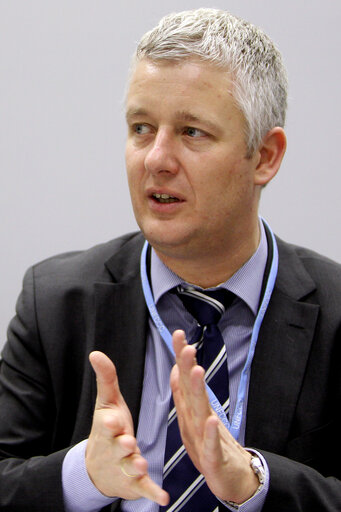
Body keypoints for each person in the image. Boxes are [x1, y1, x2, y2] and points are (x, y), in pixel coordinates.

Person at [0, 7, 340, 512]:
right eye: (141, 127)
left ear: (265, 156)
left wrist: (258, 484)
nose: (156, 158)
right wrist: (84, 475)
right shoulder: (54, 304)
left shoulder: (335, 316)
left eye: (192, 132)